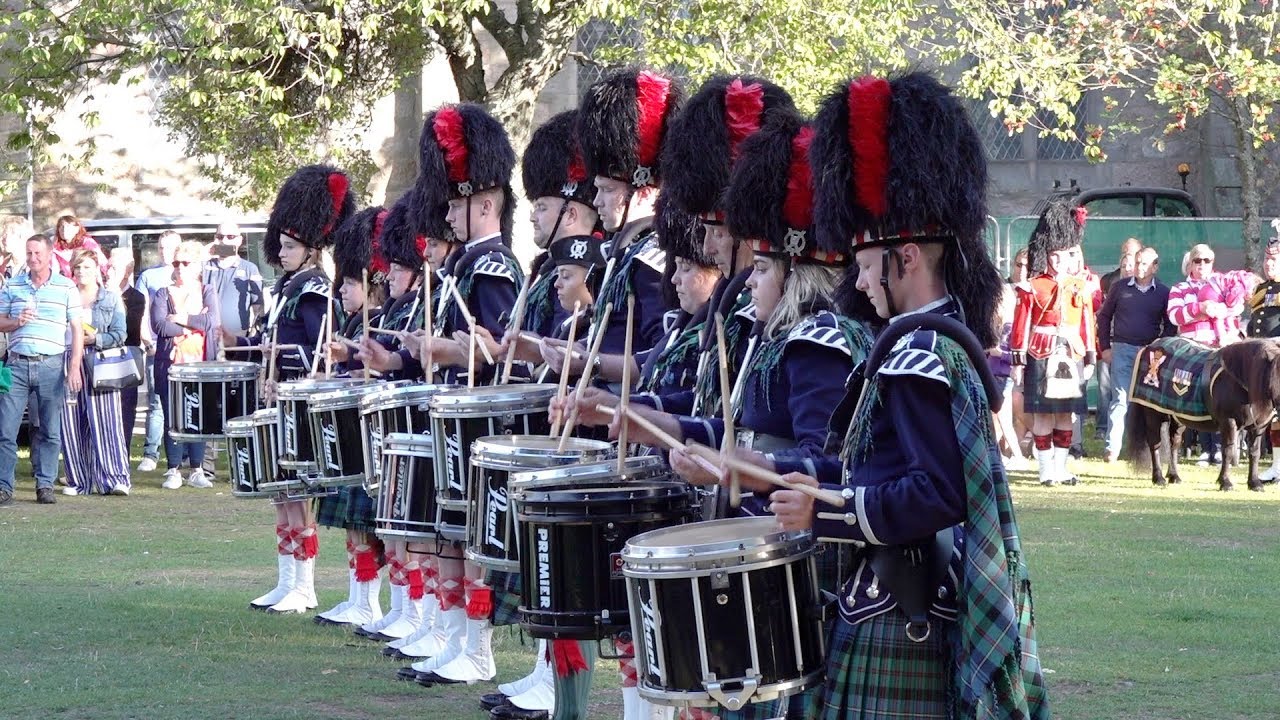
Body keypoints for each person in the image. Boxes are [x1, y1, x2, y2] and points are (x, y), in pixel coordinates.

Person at [767, 71, 1048, 720]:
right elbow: (880, 467)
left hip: (903, 604)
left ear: (909, 257)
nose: (860, 282)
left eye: (867, 265)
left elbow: (937, 493)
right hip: (893, 595)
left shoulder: (919, 356)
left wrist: (826, 515)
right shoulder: (925, 342)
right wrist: (806, 482)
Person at [397, 102, 522, 690]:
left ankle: (477, 648)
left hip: (479, 424)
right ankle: (452, 637)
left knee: (473, 539)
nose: (447, 214)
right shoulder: (469, 263)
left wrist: (443, 350)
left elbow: (496, 350)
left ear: (486, 205)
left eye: (456, 204)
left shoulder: (492, 264)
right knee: (452, 534)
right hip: (454, 417)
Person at [223, 165, 353, 615]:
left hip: (298, 399)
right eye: (281, 244)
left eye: (290, 246)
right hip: (276, 397)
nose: (281, 252)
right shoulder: (286, 287)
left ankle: (305, 585)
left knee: (297, 494)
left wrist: (282, 354)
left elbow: (321, 348)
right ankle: (285, 581)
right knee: (281, 493)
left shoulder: (314, 288)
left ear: (311, 250)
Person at [314, 206, 390, 629]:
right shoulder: (355, 322)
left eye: (349, 283)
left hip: (372, 433)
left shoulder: (385, 320)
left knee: (369, 525)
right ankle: (358, 597)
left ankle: (370, 602)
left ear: (372, 282)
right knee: (354, 526)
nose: (341, 290)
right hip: (353, 432)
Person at [1011, 200, 1097, 486]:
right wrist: (1018, 361)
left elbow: (1087, 323)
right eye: (1054, 255)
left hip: (1071, 352)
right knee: (1043, 415)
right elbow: (1022, 325)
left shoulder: (1079, 286)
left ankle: (1061, 469)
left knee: (1065, 415)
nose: (1060, 261)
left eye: (1065, 255)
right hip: (1040, 352)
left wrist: (1090, 357)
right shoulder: (1032, 287)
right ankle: (1045, 470)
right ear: (1046, 255)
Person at [0, 235, 85, 506]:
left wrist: (74, 367)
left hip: (51, 365)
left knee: (50, 429)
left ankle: (45, 484)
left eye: (38, 253)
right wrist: (16, 321)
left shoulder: (66, 286)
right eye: (29, 253)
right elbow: (0, 321)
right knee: (6, 430)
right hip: (17, 364)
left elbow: (77, 329)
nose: (33, 258)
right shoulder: (13, 285)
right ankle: (4, 487)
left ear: (49, 255)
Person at [1166, 243, 1255, 464]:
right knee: (1199, 397)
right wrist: (1200, 308)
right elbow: (1174, 316)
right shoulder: (1179, 288)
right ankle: (1206, 449)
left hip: (1223, 349)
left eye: (1207, 260)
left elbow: (1237, 307)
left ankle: (1223, 449)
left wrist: (1230, 306)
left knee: (1224, 398)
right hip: (1195, 351)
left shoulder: (1223, 283)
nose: (1202, 264)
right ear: (1190, 264)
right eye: (1198, 260)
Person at [59, 250, 131, 496]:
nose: (82, 272)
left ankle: (116, 478)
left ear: (97, 269)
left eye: (87, 267)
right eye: (78, 267)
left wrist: (95, 339)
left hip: (101, 360)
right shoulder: (65, 295)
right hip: (68, 359)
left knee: (107, 420)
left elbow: (120, 334)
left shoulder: (110, 298)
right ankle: (79, 481)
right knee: (71, 422)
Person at [152, 240, 220, 489]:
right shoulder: (163, 293)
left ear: (197, 265)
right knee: (172, 416)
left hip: (200, 364)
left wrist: (180, 318)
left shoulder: (207, 290)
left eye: (185, 262)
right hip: (170, 365)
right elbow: (160, 326)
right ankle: (173, 469)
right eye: (176, 262)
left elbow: (211, 321)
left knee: (198, 416)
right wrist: (192, 325)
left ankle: (197, 469)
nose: (180, 267)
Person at [1096, 246, 1171, 463]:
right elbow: (1104, 317)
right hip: (1122, 349)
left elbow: (1170, 325)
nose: (1139, 267)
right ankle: (1112, 449)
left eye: (1145, 263)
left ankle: (1147, 449)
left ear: (1155, 267)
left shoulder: (1163, 292)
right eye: (1137, 262)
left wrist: (1159, 347)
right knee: (1120, 398)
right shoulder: (1119, 288)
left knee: (1149, 402)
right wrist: (1105, 347)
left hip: (1151, 354)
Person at [135, 230, 183, 473]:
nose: (165, 252)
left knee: (184, 401)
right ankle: (150, 453)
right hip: (156, 347)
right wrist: (147, 341)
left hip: (184, 349)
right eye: (161, 247)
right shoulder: (148, 276)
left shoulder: (187, 274)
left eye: (170, 247)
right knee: (156, 402)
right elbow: (141, 311)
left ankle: (185, 456)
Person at [1094, 238, 1142, 441]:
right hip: (1111, 341)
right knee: (1105, 387)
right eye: (1124, 254)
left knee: (1131, 390)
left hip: (1136, 344)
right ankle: (1102, 427)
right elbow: (1102, 315)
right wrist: (1104, 345)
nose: (1128, 266)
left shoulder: (1146, 285)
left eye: (1132, 257)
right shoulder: (1109, 281)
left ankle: (1133, 430)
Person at [108, 248, 147, 453]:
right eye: (108, 267)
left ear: (129, 269)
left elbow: (131, 330)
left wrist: (114, 294)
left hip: (126, 359)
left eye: (115, 268)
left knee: (125, 412)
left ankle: (123, 457)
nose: (109, 272)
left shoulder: (136, 297)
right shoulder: (100, 294)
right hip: (103, 359)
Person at [1248, 232, 1280, 480]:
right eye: (1267, 259)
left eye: (1274, 259)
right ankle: (1276, 466)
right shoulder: (1261, 289)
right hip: (1263, 357)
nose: (1269, 263)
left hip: (1278, 355)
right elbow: (1257, 322)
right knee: (1271, 413)